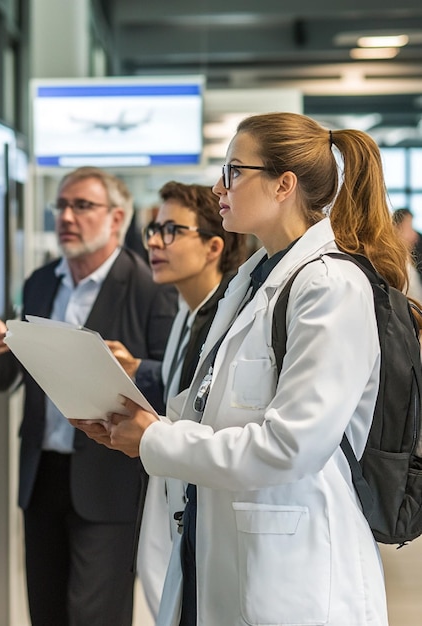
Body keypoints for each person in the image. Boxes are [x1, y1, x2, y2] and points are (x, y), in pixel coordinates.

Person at [74, 112, 413, 625]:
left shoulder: (329, 286)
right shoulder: (253, 278)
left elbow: (289, 447)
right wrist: (132, 421)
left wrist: (155, 441)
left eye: (233, 171)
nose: (218, 188)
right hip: (220, 552)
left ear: (284, 185)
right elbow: (213, 407)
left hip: (294, 572)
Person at [0, 166, 177, 626]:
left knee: (95, 616)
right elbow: (13, 374)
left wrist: (132, 372)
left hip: (108, 482)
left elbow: (173, 384)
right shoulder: (42, 282)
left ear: (117, 218)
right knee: (46, 612)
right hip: (42, 477)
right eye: (61, 205)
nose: (67, 216)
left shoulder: (148, 288)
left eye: (82, 206)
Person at [105, 181, 246, 616]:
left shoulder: (224, 320)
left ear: (212, 247)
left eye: (171, 230)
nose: (154, 242)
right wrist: (139, 369)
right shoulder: (190, 312)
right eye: (152, 230)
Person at [392, 207, 422, 302]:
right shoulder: (394, 265)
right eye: (409, 228)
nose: (414, 235)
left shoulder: (408, 260)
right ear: (396, 230)